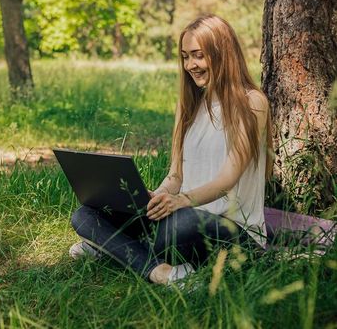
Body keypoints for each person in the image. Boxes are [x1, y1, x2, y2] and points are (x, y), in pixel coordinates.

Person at [67, 14, 274, 285]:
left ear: (222, 53)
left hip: (231, 230)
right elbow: (175, 176)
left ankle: (113, 248)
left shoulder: (252, 102)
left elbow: (228, 180)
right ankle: (162, 272)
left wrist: (183, 201)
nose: (190, 65)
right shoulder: (188, 105)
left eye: (198, 55)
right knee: (85, 214)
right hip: (182, 212)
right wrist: (157, 196)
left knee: (177, 227)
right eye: (185, 56)